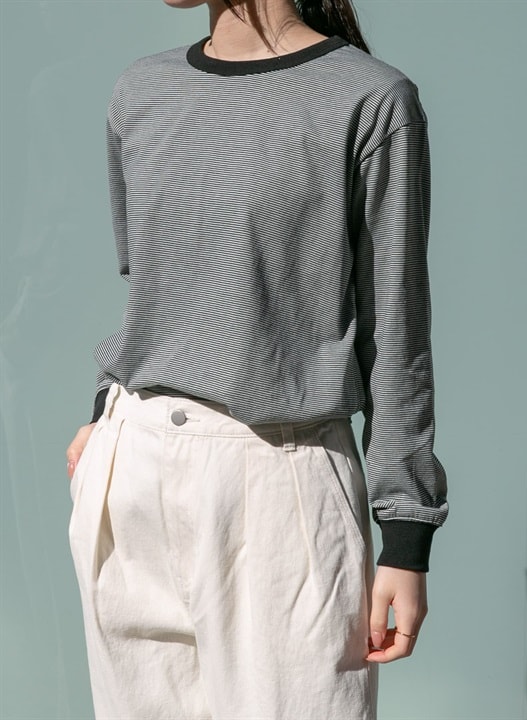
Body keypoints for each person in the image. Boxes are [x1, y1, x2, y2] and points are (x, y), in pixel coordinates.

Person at [65, 0, 449, 717]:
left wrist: (406, 533)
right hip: (130, 469)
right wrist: (103, 408)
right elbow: (149, 284)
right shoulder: (141, 90)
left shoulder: (370, 98)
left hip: (278, 479)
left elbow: (396, 329)